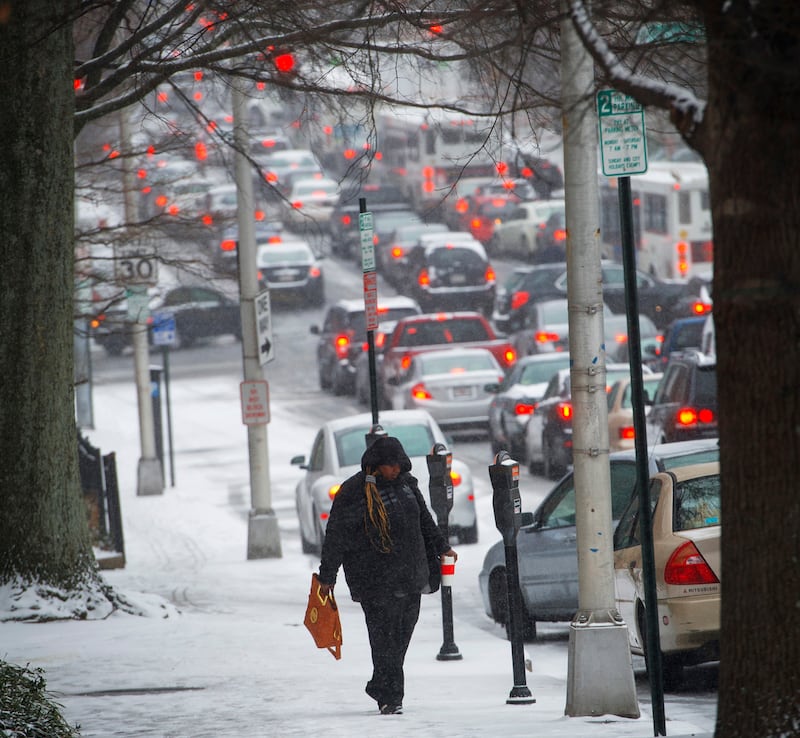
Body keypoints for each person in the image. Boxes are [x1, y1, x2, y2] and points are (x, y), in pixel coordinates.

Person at [317, 434, 457, 716]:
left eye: (399, 465)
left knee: (403, 632)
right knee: (384, 638)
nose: (396, 470)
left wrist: (443, 546)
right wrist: (327, 575)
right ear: (377, 465)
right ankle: (392, 697)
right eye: (391, 466)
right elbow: (336, 536)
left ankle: (381, 683)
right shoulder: (353, 492)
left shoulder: (407, 484)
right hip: (374, 579)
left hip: (411, 572)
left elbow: (424, 519)